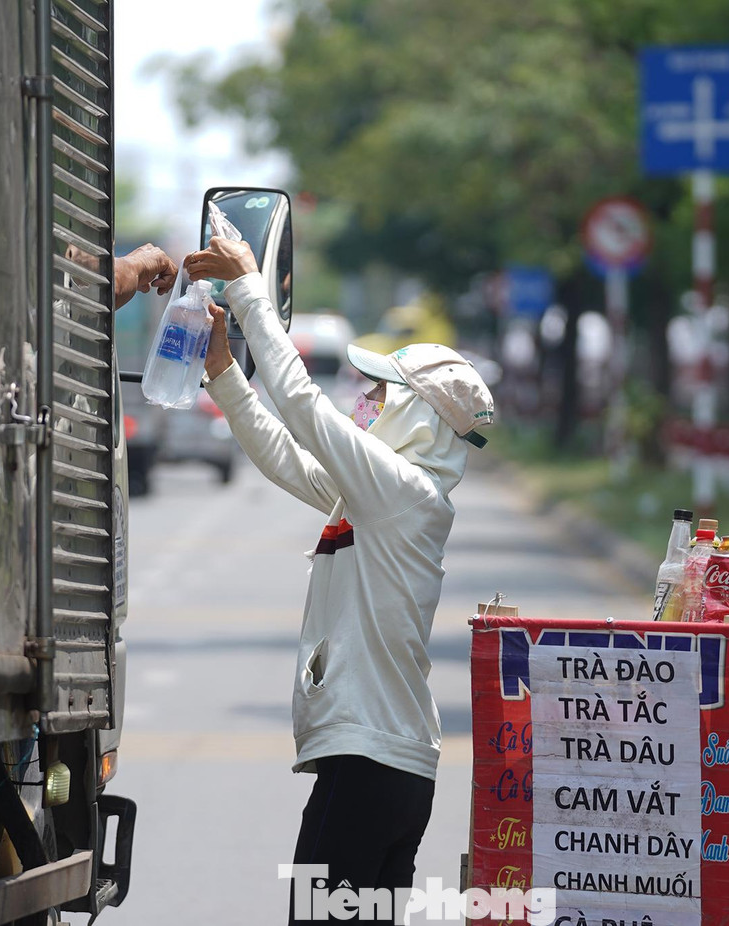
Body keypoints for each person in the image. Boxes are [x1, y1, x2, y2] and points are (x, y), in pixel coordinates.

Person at [183, 236, 494, 924]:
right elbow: (286, 457)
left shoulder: (404, 491)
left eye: (376, 392)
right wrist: (225, 372)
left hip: (373, 765)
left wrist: (249, 294)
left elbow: (303, 408)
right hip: (381, 764)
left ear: (414, 414)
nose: (361, 401)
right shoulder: (389, 493)